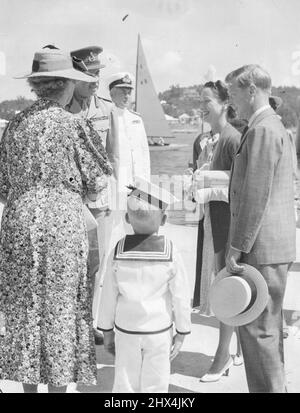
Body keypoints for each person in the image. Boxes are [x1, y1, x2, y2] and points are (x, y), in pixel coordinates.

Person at [0, 46, 112, 393]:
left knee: (26, 313)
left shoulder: (14, 125)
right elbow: (97, 182)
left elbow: (3, 186)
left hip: (18, 223)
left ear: (37, 85)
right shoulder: (73, 125)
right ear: (65, 85)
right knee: (61, 313)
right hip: (61, 224)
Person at [225, 64, 296, 393]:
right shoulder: (270, 126)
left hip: (260, 249)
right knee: (265, 332)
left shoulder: (264, 129)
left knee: (258, 333)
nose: (231, 101)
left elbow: (255, 195)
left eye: (234, 93)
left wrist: (237, 247)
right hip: (270, 247)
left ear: (251, 90)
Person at [97, 178, 191, 393]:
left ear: (127, 218)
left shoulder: (118, 250)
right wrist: (183, 330)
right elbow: (180, 296)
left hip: (127, 328)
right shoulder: (170, 251)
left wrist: (106, 330)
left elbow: (109, 294)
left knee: (125, 382)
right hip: (158, 330)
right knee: (156, 383)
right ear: (164, 219)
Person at [191, 81, 242, 382]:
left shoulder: (232, 138)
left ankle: (222, 356)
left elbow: (240, 185)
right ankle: (235, 351)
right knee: (220, 284)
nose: (202, 106)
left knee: (224, 288)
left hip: (227, 225)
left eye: (207, 101)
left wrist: (204, 181)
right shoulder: (210, 139)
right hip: (213, 222)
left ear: (224, 103)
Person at [92, 72, 151, 328]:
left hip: (135, 194)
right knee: (105, 256)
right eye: (122, 90)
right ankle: (96, 318)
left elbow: (145, 159)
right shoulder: (106, 118)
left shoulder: (137, 120)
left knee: (136, 250)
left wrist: (145, 193)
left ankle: (134, 311)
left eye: (129, 90)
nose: (127, 95)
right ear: (111, 91)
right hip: (112, 194)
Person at [67, 46, 113, 345]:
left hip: (98, 204)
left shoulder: (107, 109)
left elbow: (113, 156)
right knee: (71, 264)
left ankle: (89, 323)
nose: (95, 80)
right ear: (74, 76)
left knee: (97, 265)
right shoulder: (61, 110)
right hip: (70, 202)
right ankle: (70, 325)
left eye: (98, 74)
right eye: (89, 75)